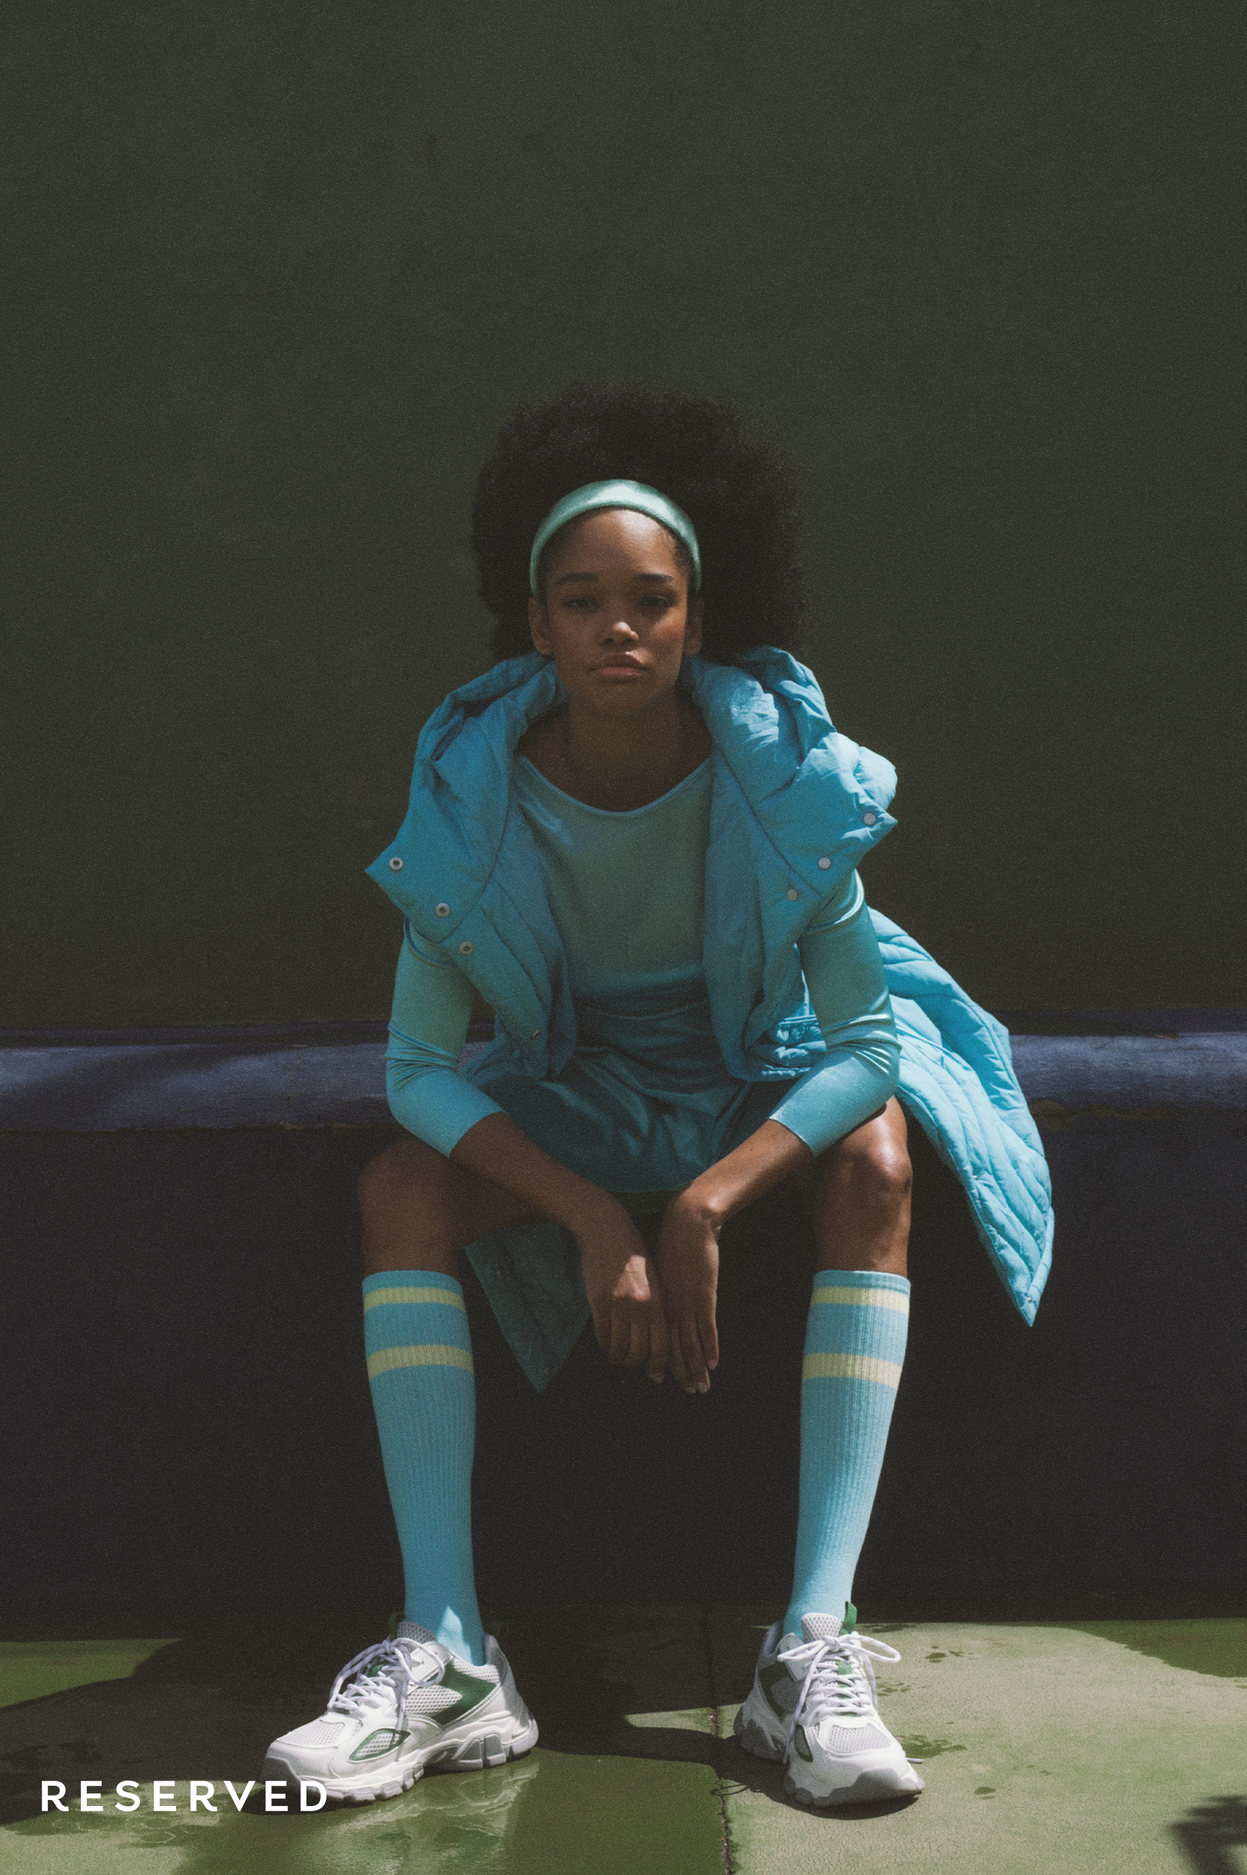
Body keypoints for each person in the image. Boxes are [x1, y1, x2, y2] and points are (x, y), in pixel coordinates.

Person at [263, 385, 1052, 1808]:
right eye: (583, 602)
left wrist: (703, 1205)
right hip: (583, 1092)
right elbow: (415, 1072)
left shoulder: (784, 775)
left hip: (760, 1072)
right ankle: (448, 1654)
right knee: (401, 1186)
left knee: (877, 1155)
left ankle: (807, 1649)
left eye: (652, 601)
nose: (618, 628)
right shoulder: (473, 793)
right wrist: (589, 1213)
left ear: (700, 616)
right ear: (536, 621)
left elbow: (868, 1044)